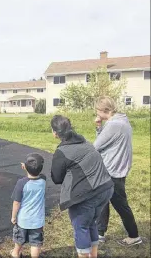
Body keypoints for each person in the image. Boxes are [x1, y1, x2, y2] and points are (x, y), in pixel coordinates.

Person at [50, 115, 114, 258]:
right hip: (106, 188)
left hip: (87, 195)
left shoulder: (62, 152)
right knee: (91, 222)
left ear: (55, 132)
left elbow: (56, 178)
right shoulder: (84, 141)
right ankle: (94, 255)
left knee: (81, 227)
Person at [94, 96, 142, 246]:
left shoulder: (114, 125)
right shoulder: (122, 121)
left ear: (104, 110)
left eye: (97, 110)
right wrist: (99, 127)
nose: (96, 112)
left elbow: (96, 145)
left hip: (112, 171)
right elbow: (107, 141)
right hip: (116, 168)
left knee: (120, 204)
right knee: (102, 200)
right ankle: (100, 233)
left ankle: (134, 236)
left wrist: (99, 129)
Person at [10, 153, 46, 258]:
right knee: (36, 243)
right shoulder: (43, 180)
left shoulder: (21, 183)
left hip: (23, 219)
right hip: (37, 221)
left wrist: (13, 216)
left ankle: (16, 253)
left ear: (25, 167)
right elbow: (38, 174)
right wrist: (27, 168)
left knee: (19, 239)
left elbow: (16, 202)